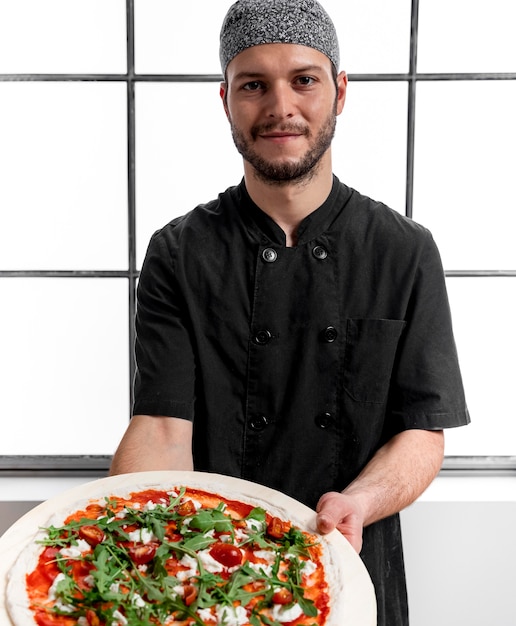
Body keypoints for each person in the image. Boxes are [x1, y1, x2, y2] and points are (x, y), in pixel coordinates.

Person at [110, 1, 470, 623]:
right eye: (254, 84)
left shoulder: (403, 250)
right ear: (225, 99)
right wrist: (131, 534)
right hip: (212, 570)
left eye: (304, 79)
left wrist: (358, 501)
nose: (281, 106)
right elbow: (163, 429)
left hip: (350, 562)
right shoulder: (179, 252)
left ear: (341, 91)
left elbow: (421, 429)